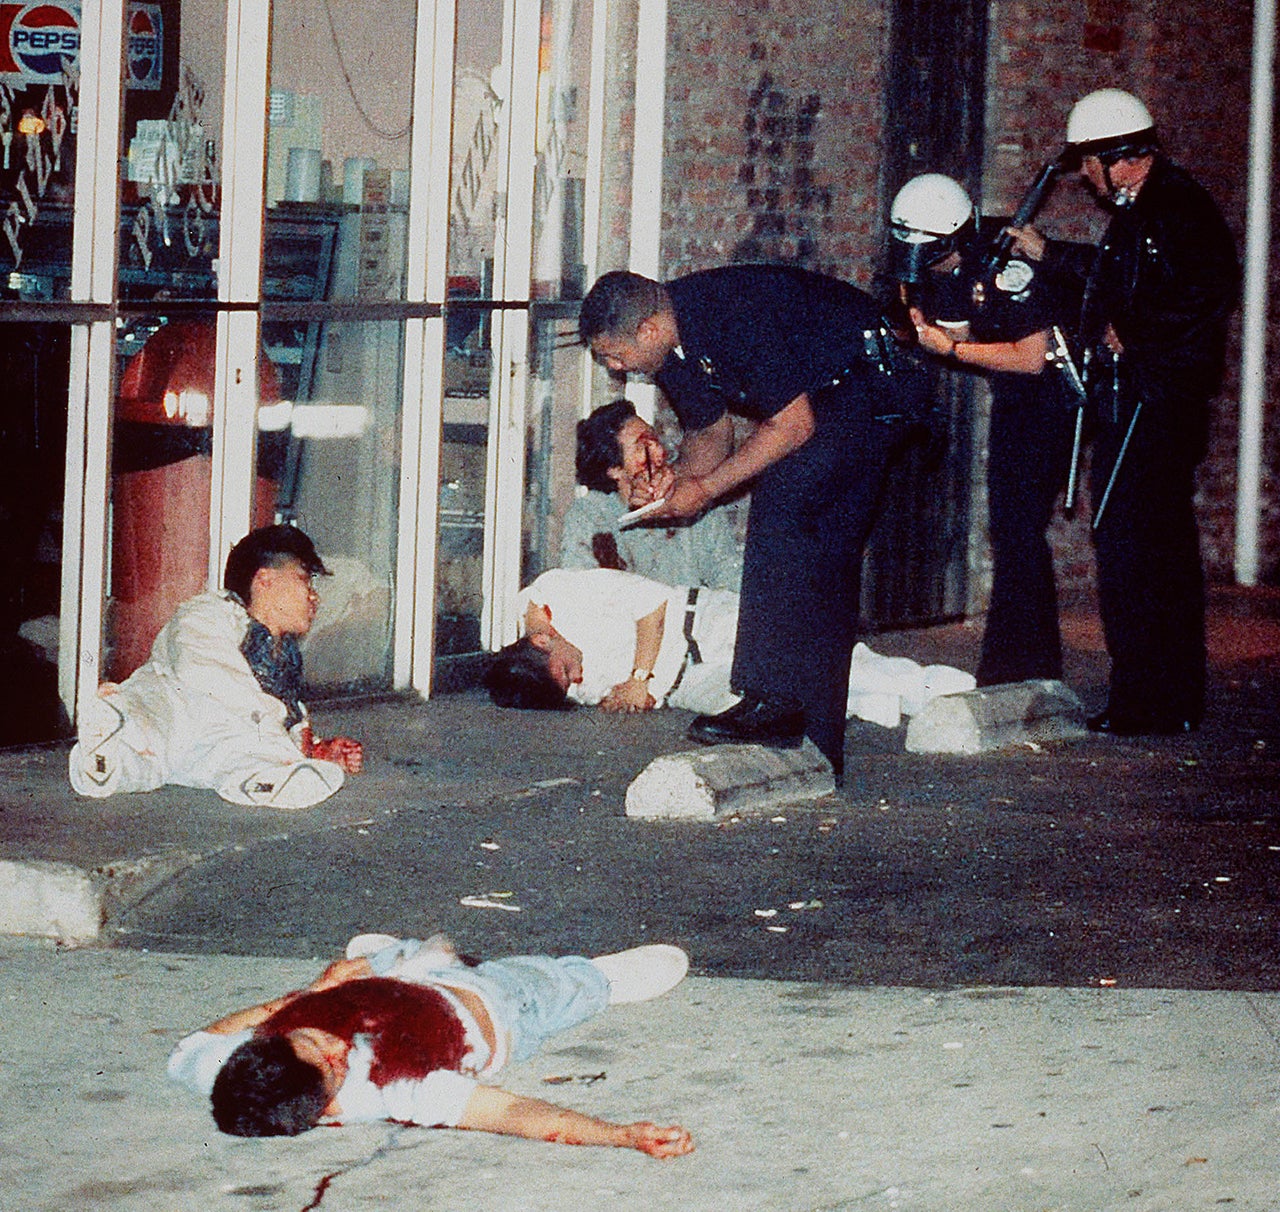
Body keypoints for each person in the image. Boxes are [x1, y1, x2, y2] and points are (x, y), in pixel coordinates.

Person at [578, 265, 923, 780]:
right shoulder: (670, 348)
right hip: (829, 398)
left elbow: (793, 424)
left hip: (866, 385)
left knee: (784, 510)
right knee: (811, 544)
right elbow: (710, 434)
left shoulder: (728, 316)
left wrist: (708, 490)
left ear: (647, 329)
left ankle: (772, 702)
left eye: (614, 355)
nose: (615, 369)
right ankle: (812, 736)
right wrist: (674, 485)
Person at [1009, 88, 1239, 735]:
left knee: (1129, 543)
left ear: (1125, 158)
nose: (1086, 175)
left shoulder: (1176, 207)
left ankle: (1145, 700)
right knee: (1156, 547)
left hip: (1153, 399)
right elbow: (1117, 275)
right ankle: (1169, 699)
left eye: (1091, 162)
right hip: (1148, 399)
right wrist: (1048, 253)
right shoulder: (1151, 207)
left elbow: (1210, 283)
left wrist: (1136, 331)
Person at [167, 931, 694, 1157]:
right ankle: (598, 980)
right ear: (326, 1106)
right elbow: (513, 1111)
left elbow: (201, 1040)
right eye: (332, 1065)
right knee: (549, 985)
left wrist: (300, 1000)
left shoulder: (225, 1070)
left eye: (304, 1037)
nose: (336, 1046)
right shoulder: (398, 1090)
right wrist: (620, 1135)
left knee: (378, 961)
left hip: (399, 981)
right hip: (498, 1004)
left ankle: (406, 955)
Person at [888, 172, 1076, 686]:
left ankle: (1025, 667)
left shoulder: (1006, 265)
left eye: (932, 252)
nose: (927, 264)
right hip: (1015, 399)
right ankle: (1016, 664)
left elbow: (1033, 357)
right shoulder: (942, 268)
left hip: (1052, 397)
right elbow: (958, 323)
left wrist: (952, 349)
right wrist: (925, 327)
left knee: (1018, 531)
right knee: (1012, 531)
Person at [68, 524, 363, 809]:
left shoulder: (284, 655)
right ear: (265, 580)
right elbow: (213, 678)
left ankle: (263, 782)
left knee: (204, 761)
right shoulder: (208, 613)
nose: (315, 596)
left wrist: (314, 748)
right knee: (149, 749)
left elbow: (283, 714)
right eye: (304, 580)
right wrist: (284, 748)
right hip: (172, 714)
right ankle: (109, 743)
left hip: (209, 746)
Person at [483, 567, 973, 727]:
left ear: (543, 639)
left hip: (702, 626)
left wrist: (637, 680)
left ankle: (936, 687)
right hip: (689, 683)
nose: (576, 681)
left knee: (810, 658)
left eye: (566, 672)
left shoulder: (558, 591)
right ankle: (879, 703)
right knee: (770, 707)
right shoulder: (547, 666)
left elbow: (651, 604)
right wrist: (634, 694)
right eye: (567, 687)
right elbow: (614, 695)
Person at [562, 399, 743, 591]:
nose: (660, 453)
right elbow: (580, 591)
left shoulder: (695, 503)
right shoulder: (589, 515)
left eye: (656, 440)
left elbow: (731, 579)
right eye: (643, 447)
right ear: (614, 469)